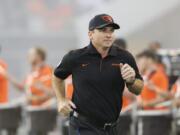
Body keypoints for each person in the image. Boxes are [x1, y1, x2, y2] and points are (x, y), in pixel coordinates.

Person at [53, 14, 144, 135]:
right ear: (90, 34)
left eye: (111, 31)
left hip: (112, 128)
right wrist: (61, 100)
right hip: (82, 125)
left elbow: (138, 89)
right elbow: (57, 77)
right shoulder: (75, 57)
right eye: (103, 30)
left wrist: (131, 80)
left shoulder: (125, 57)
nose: (108, 34)